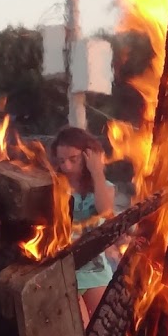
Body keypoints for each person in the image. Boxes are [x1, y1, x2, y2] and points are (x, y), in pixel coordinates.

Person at [52, 126, 116, 323]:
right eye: (62, 161)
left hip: (96, 270)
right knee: (79, 334)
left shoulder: (103, 186)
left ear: (88, 156)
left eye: (74, 159)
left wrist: (97, 172)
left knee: (102, 331)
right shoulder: (54, 184)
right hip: (65, 271)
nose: (67, 167)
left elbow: (105, 211)